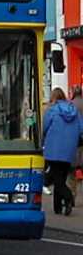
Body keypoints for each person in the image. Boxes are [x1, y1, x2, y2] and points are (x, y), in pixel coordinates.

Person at [43, 87, 83, 215]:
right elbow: (81, 129)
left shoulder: (52, 110)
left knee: (57, 180)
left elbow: (44, 127)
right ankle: (58, 208)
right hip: (70, 149)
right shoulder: (74, 111)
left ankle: (68, 198)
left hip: (53, 149)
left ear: (54, 97)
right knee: (61, 177)